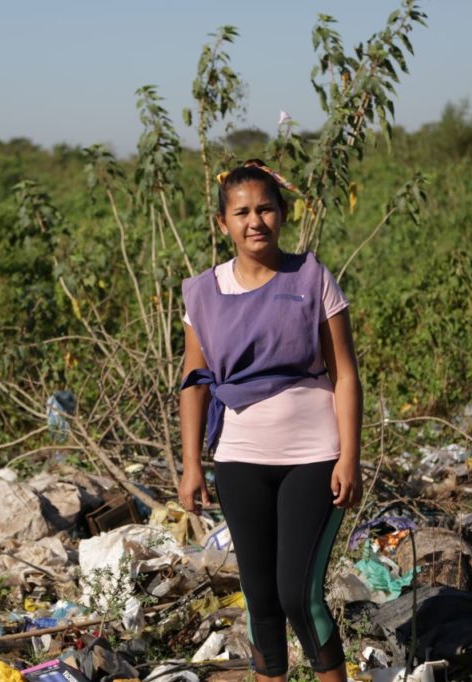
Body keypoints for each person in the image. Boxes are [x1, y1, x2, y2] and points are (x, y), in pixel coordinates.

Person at [178, 159, 363, 682]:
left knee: (298, 596)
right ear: (223, 224)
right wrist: (192, 465)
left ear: (283, 214)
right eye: (241, 212)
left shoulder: (310, 277)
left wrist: (350, 456)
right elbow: (194, 383)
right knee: (260, 599)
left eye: (265, 209)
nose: (254, 220)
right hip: (239, 460)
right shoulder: (202, 293)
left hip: (314, 456)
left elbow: (345, 375)